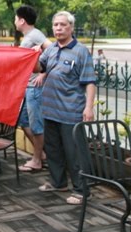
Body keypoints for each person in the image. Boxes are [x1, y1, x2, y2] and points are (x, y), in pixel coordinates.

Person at [37, 11, 95, 205]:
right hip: (50, 110)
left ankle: (82, 190)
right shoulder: (51, 49)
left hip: (71, 111)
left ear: (71, 27)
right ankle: (58, 182)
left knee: (75, 153)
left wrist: (89, 107)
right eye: (56, 25)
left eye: (63, 25)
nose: (58, 28)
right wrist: (32, 56)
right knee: (53, 149)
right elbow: (39, 68)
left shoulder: (80, 51)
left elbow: (90, 82)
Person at [14, 5, 51, 172]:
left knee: (36, 125)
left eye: (16, 19)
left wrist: (44, 72)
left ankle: (37, 160)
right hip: (27, 86)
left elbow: (52, 49)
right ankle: (41, 155)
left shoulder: (35, 34)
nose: (15, 22)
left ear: (22, 20)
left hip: (34, 87)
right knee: (23, 121)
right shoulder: (28, 36)